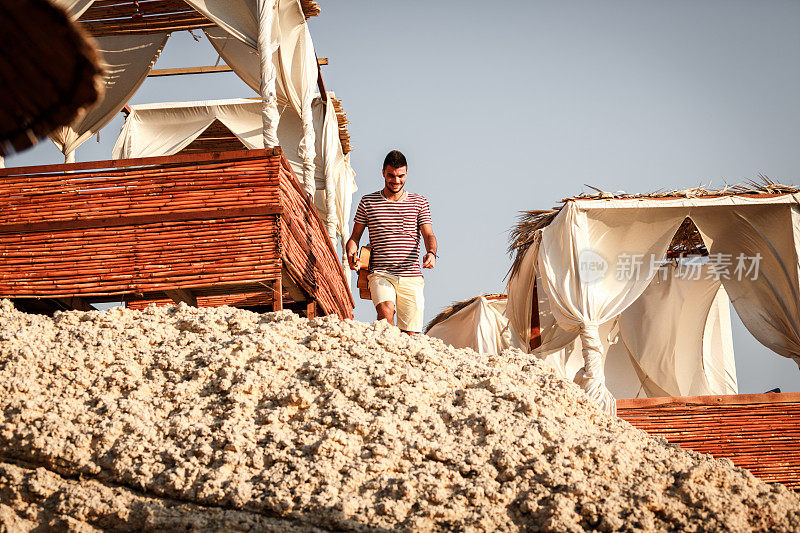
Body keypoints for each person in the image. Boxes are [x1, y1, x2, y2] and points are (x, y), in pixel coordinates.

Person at [346, 150, 437, 333]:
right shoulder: (367, 202)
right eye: (391, 176)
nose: (396, 181)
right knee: (386, 314)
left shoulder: (419, 203)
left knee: (411, 334)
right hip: (380, 273)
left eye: (401, 176)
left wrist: (431, 253)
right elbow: (354, 237)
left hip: (411, 275)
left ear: (406, 174)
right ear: (383, 173)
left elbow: (429, 235)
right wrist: (351, 254)